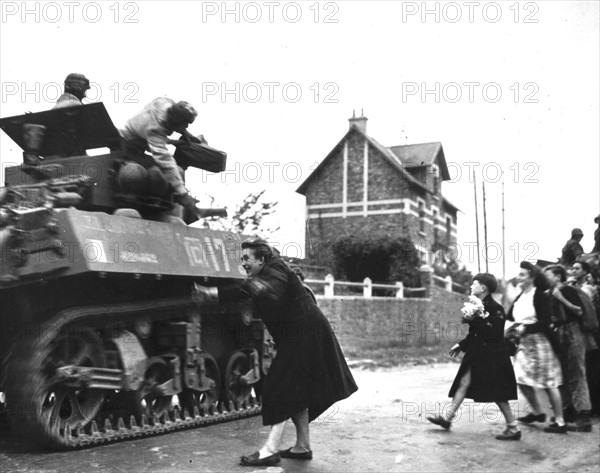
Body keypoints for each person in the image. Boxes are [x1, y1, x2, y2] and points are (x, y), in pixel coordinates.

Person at [195, 238, 358, 467]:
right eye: (242, 259)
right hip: (300, 334)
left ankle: (270, 450)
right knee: (297, 389)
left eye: (247, 259)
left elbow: (265, 290)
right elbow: (253, 289)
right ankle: (302, 446)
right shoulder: (265, 274)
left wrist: (212, 293)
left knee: (279, 386)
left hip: (305, 334)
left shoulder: (276, 269)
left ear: (261, 259)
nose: (243, 263)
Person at [426, 273, 520, 440]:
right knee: (464, 382)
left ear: (482, 288)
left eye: (474, 283)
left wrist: (478, 317)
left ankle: (513, 428)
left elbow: (493, 334)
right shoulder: (478, 306)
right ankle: (447, 419)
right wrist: (462, 344)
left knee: (499, 393)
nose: (471, 286)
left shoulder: (496, 309)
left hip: (494, 357)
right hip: (478, 354)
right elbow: (475, 334)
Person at [120, 97, 203, 223]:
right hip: (129, 145)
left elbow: (171, 121)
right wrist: (182, 193)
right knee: (154, 174)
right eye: (185, 123)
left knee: (169, 173)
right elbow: (165, 161)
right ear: (175, 120)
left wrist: (185, 133)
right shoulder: (154, 129)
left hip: (141, 136)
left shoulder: (165, 103)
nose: (186, 126)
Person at [507, 261, 567, 434]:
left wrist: (524, 328)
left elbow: (545, 322)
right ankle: (537, 412)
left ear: (532, 277)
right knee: (520, 378)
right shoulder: (521, 296)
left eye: (523, 274)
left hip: (539, 343)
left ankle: (560, 422)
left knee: (549, 382)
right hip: (523, 343)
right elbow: (510, 316)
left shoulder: (540, 295)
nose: (519, 277)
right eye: (519, 274)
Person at [544, 264, 593, 432]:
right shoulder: (551, 293)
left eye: (548, 275)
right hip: (562, 332)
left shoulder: (566, 290)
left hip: (574, 331)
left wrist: (561, 298)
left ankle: (584, 417)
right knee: (564, 374)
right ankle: (569, 413)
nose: (545, 278)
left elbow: (579, 311)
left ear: (558, 277)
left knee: (577, 373)